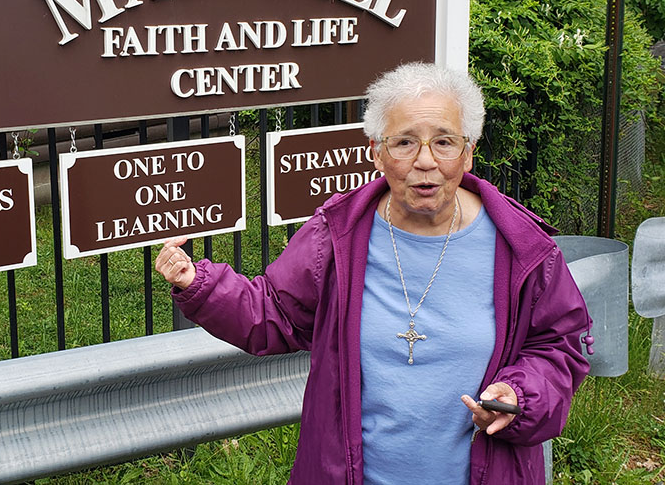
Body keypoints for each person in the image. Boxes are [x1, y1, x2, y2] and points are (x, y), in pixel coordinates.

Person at [155, 62, 591, 485]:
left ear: (468, 154)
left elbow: (559, 346)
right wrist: (199, 284)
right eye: (403, 142)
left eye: (444, 142)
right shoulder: (337, 234)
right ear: (376, 153)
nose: (425, 161)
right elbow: (275, 313)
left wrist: (520, 395)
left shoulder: (525, 249)